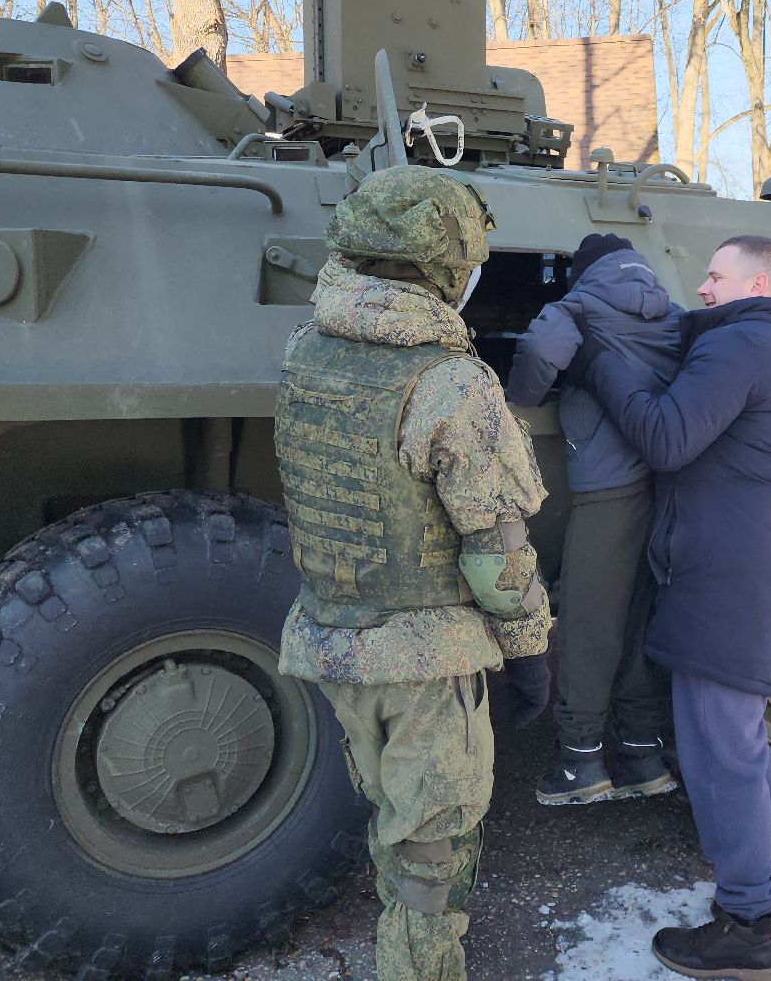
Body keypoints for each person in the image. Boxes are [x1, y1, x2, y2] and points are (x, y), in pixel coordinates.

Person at [273, 165, 555, 981]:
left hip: (334, 638)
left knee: (395, 818)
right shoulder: (450, 381)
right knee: (434, 850)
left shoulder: (309, 348)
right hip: (425, 660)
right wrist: (529, 645)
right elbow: (495, 552)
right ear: (448, 268)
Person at [571, 235, 771, 981]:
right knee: (738, 736)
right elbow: (693, 334)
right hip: (740, 565)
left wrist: (599, 361)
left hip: (723, 575)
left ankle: (747, 924)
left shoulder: (742, 346)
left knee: (718, 752)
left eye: (715, 276)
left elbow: (666, 435)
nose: (703, 289)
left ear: (756, 282)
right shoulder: (762, 340)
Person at [507, 232, 685, 805]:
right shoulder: (671, 311)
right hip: (663, 480)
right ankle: (640, 753)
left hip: (606, 487)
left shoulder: (577, 306)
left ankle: (581, 763)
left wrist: (524, 399)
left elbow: (537, 358)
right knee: (638, 621)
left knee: (587, 625)